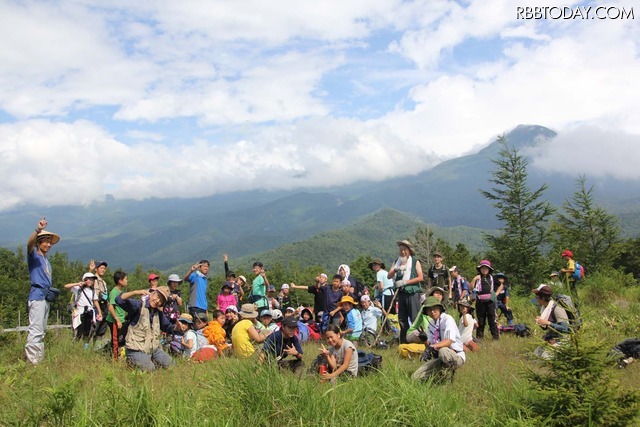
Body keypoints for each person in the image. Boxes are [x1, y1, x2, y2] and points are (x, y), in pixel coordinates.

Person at [25, 218, 60, 364]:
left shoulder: (46, 261)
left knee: (42, 330)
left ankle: (37, 359)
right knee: (36, 330)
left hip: (45, 297)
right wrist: (37, 230)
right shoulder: (33, 256)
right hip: (37, 296)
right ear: (39, 242)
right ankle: (34, 363)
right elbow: (29, 244)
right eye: (45, 241)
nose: (48, 244)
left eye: (49, 242)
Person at [116, 286, 175, 371]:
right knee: (150, 370)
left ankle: (147, 361)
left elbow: (168, 327)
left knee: (172, 364)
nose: (157, 301)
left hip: (153, 350)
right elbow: (119, 300)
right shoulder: (138, 305)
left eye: (161, 300)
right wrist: (136, 292)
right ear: (152, 293)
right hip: (135, 349)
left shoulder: (158, 313)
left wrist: (177, 327)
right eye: (157, 296)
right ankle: (131, 362)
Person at [412, 296, 465, 382]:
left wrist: (432, 347)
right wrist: (424, 340)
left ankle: (447, 377)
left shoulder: (447, 319)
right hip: (440, 358)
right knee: (415, 377)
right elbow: (430, 346)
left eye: (435, 309)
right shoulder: (430, 324)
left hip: (456, 356)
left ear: (440, 308)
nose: (432, 312)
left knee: (443, 350)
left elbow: (448, 341)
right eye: (429, 310)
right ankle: (438, 375)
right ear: (426, 312)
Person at [387, 240, 424, 343]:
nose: (402, 252)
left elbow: (421, 277)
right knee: (402, 319)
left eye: (405, 250)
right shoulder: (396, 262)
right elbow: (389, 276)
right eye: (401, 250)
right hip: (401, 294)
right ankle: (404, 341)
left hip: (412, 293)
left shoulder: (415, 262)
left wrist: (406, 282)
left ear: (409, 251)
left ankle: (418, 339)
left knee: (414, 318)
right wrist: (396, 269)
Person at [65, 272, 103, 349]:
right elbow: (66, 286)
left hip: (89, 312)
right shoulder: (78, 289)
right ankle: (74, 347)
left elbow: (95, 301)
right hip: (80, 312)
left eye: (92, 280)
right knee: (78, 331)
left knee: (87, 331)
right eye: (89, 279)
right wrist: (78, 284)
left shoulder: (92, 291)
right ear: (85, 280)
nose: (91, 281)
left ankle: (85, 347)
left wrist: (99, 312)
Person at [469, 260, 502, 340]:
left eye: (486, 268)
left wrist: (496, 294)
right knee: (481, 320)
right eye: (482, 268)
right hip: (480, 301)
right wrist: (474, 279)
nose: (484, 269)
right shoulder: (477, 278)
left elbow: (501, 285)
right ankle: (479, 338)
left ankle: (495, 337)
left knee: (492, 320)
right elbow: (470, 288)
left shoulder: (492, 278)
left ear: (489, 269)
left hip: (491, 301)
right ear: (480, 269)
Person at [106, 270, 128, 360]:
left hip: (121, 320)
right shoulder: (114, 292)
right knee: (116, 341)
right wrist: (117, 319)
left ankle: (121, 356)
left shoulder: (120, 292)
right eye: (126, 279)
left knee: (122, 339)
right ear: (120, 281)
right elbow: (110, 306)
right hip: (115, 321)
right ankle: (115, 360)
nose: (127, 281)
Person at [88, 260, 110, 349]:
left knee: (102, 329)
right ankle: (86, 348)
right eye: (101, 268)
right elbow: (86, 281)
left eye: (104, 268)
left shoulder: (103, 282)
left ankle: (97, 348)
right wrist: (90, 270)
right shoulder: (93, 279)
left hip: (104, 307)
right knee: (93, 328)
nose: (103, 270)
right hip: (95, 307)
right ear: (96, 269)